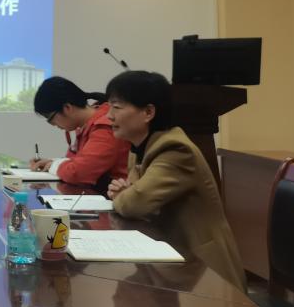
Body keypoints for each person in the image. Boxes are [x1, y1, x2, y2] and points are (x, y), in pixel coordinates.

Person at [104, 70, 246, 292]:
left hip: (203, 270)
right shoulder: (140, 147)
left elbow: (134, 203)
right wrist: (129, 194)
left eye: (116, 107)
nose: (108, 116)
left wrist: (125, 195)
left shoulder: (175, 149)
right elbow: (136, 197)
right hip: (172, 257)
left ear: (148, 112)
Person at [31, 76, 130, 193]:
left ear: (67, 108)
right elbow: (75, 162)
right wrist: (52, 162)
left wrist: (55, 166)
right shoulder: (85, 125)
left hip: (114, 197)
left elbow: (78, 173)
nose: (53, 124)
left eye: (50, 119)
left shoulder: (104, 127)